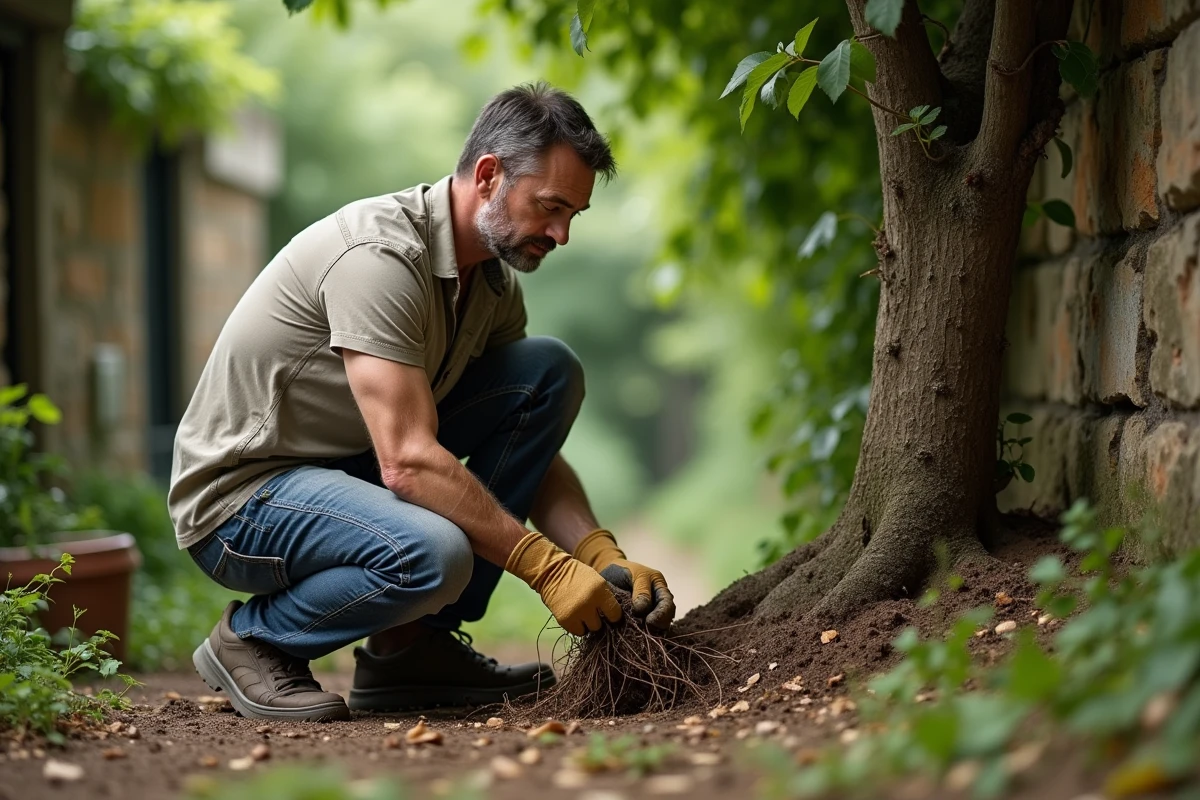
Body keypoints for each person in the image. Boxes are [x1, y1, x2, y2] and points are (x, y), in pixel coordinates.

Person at [168, 82, 676, 722]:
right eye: (550, 207)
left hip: (345, 471)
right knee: (434, 552)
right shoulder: (379, 258)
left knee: (547, 372)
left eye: (573, 214)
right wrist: (544, 569)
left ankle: (412, 650)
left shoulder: (490, 280)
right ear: (488, 175)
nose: (562, 233)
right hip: (244, 501)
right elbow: (407, 462)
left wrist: (598, 553)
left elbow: (524, 443)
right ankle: (254, 640)